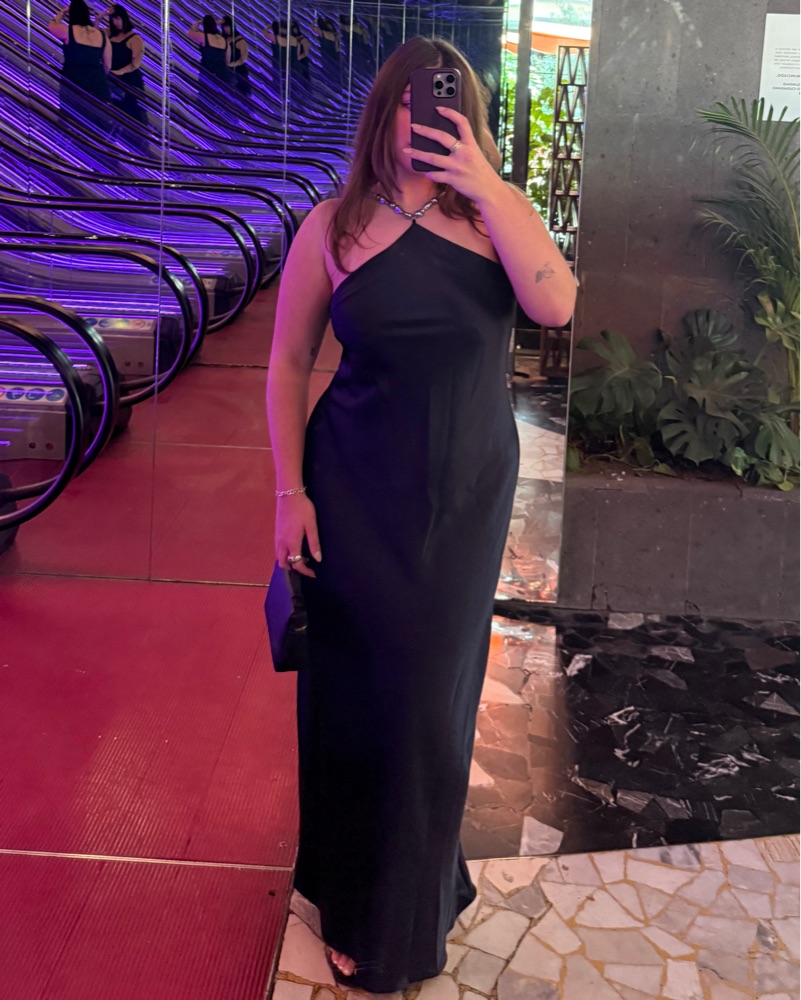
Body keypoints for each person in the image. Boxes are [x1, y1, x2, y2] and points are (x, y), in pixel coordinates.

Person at [265, 36, 575, 994]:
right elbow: (287, 364)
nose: (421, 119)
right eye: (406, 101)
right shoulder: (333, 225)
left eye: (441, 102)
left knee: (430, 704)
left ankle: (414, 894)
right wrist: (288, 492)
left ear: (466, 116)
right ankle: (358, 901)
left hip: (466, 494)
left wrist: (487, 185)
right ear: (382, 113)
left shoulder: (492, 216)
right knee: (360, 695)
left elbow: (556, 306)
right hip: (353, 488)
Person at [48, 0, 111, 116]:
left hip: (73, 83)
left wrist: (62, 12)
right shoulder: (102, 35)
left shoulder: (68, 31)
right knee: (97, 121)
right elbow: (107, 65)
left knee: (71, 119)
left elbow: (52, 26)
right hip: (98, 86)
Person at [100, 4, 147, 125]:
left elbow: (135, 64)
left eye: (118, 18)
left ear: (124, 18)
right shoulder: (109, 33)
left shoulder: (135, 38)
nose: (116, 22)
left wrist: (119, 72)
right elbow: (93, 35)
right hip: (113, 80)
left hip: (130, 81)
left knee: (133, 116)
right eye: (113, 19)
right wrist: (100, 17)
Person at [187, 14, 231, 92]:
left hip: (207, 75)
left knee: (205, 96)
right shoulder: (224, 41)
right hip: (223, 76)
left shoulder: (203, 37)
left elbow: (190, 33)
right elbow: (228, 61)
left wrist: (198, 23)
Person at [220, 14, 251, 96]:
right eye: (224, 27)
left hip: (238, 72)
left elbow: (243, 58)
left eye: (228, 27)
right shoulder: (223, 38)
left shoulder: (240, 40)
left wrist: (232, 64)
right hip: (226, 71)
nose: (226, 29)